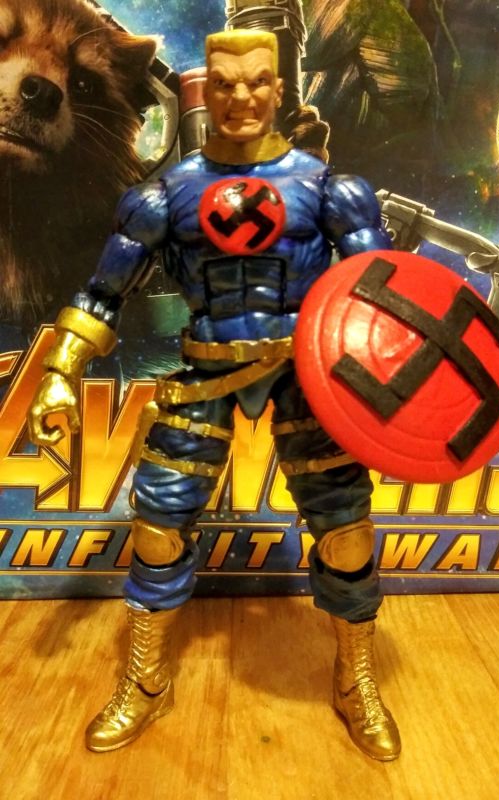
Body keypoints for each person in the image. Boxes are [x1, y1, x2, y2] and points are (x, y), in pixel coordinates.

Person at [28, 29, 400, 761]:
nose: (241, 97)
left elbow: (384, 299)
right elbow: (103, 293)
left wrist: (395, 390)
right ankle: (146, 681)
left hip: (305, 374)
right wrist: (59, 372)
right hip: (206, 371)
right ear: (208, 90)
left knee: (346, 531)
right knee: (159, 528)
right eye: (225, 83)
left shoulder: (329, 189)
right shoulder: (166, 196)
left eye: (257, 81)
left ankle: (355, 679)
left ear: (279, 90)